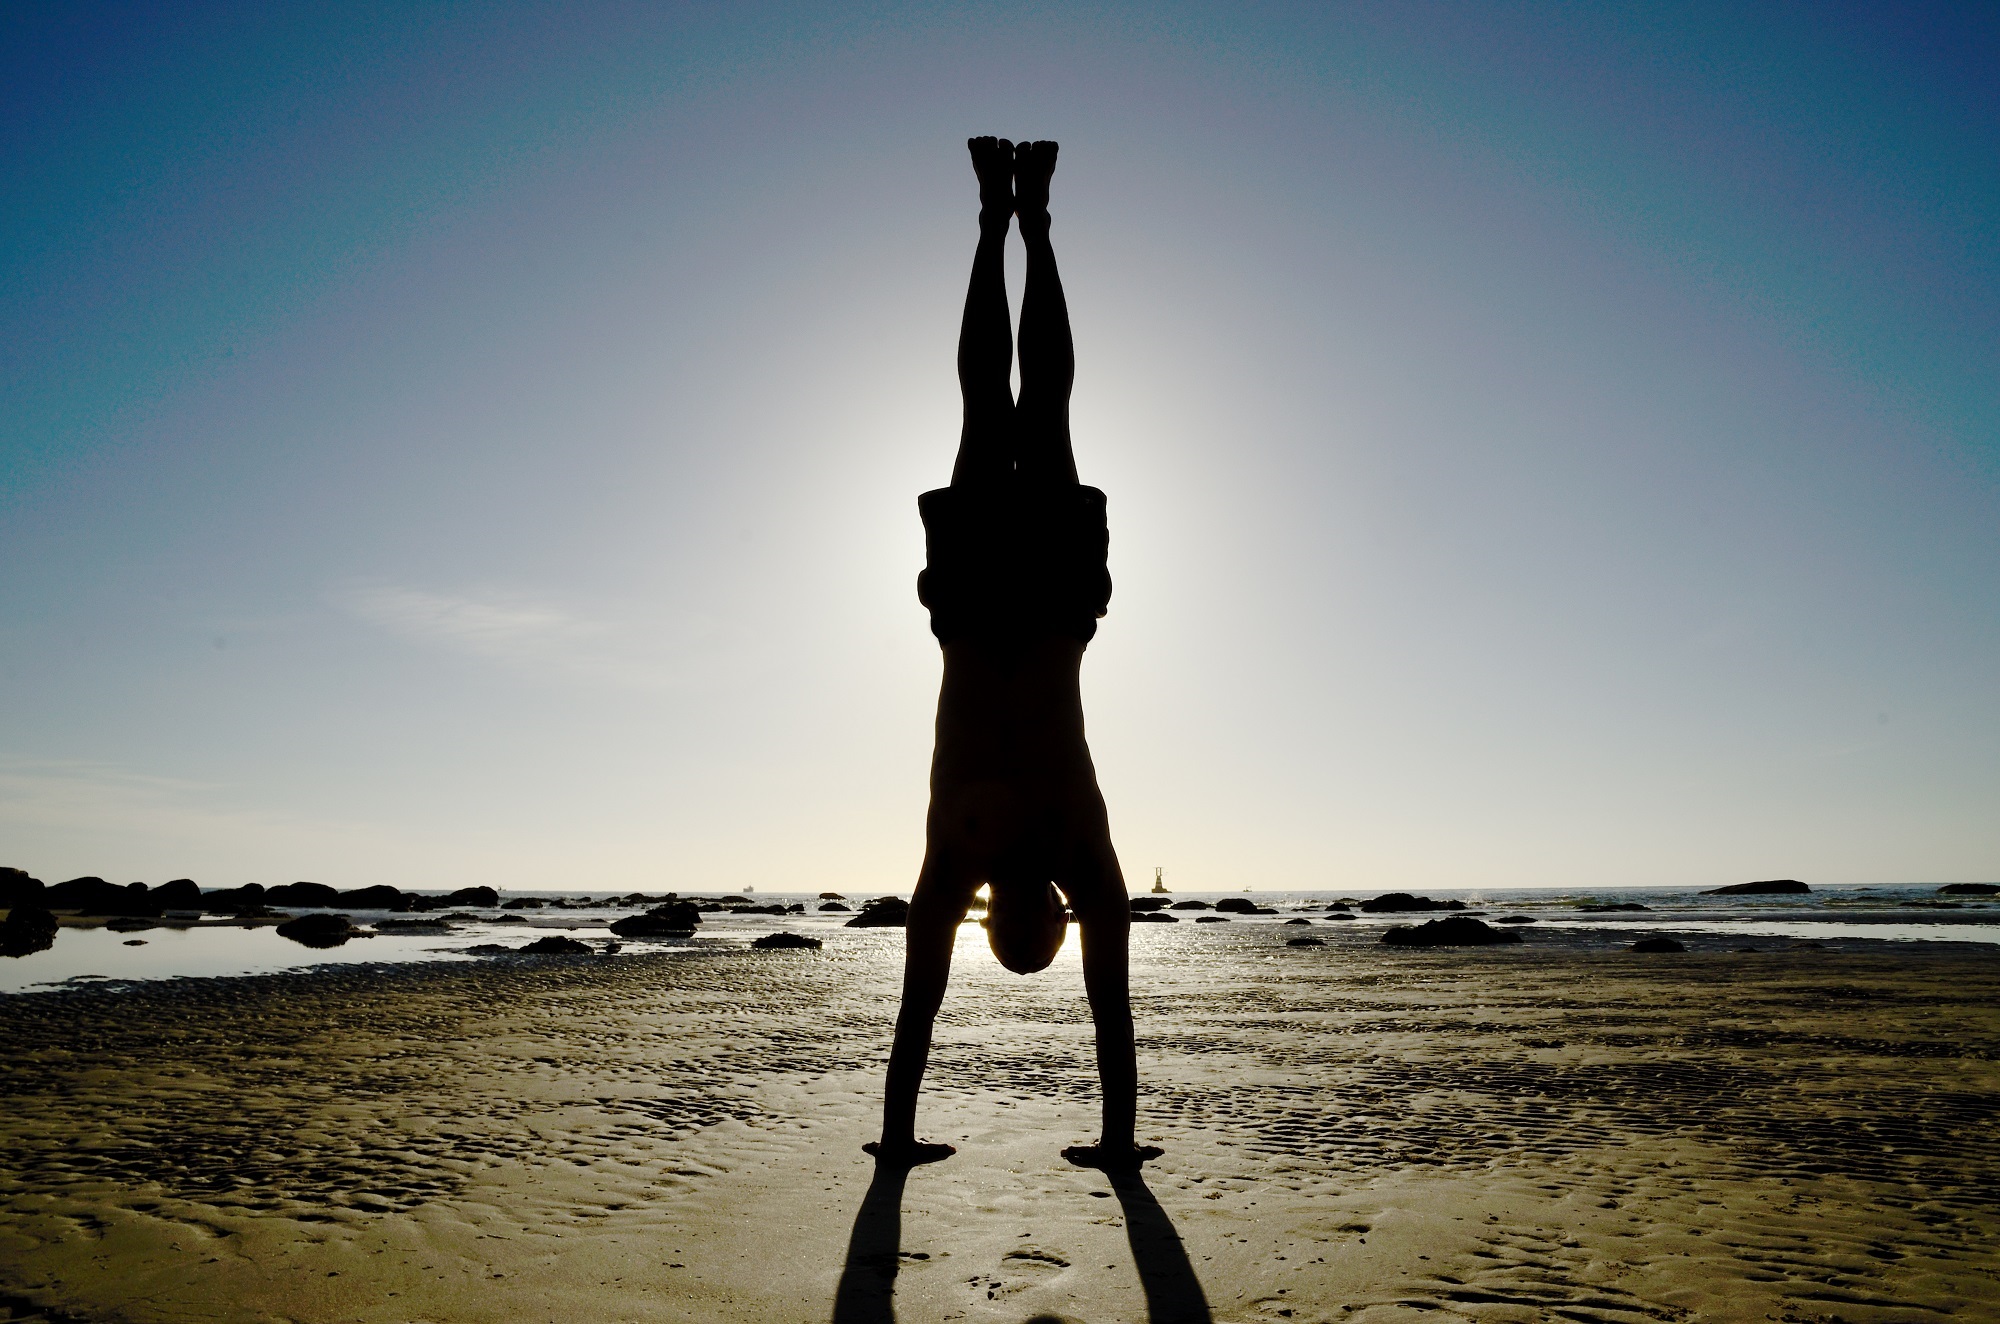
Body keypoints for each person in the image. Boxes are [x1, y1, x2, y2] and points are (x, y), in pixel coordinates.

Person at [865, 137, 1161, 1170]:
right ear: (1054, 914)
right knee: (1030, 406)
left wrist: (897, 1137)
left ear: (997, 917)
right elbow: (1108, 1011)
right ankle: (1020, 219)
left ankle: (1006, 219)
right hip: (1034, 599)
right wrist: (1115, 1142)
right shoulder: (1070, 857)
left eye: (1017, 922)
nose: (1036, 907)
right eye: (1048, 921)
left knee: (999, 406)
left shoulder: (962, 859)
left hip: (994, 600)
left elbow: (919, 1005)